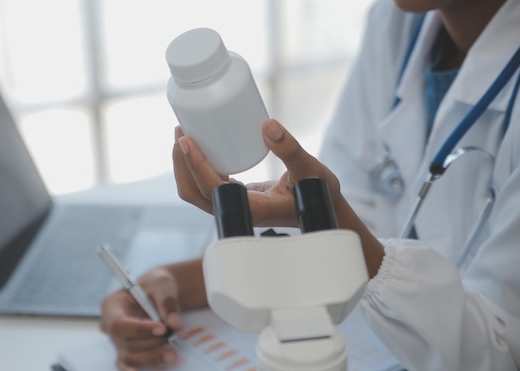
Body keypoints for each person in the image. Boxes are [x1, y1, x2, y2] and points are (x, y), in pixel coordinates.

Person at [99, 0, 520, 369]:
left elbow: (503, 353)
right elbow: (360, 224)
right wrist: (177, 281)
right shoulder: (395, 24)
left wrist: (327, 213)